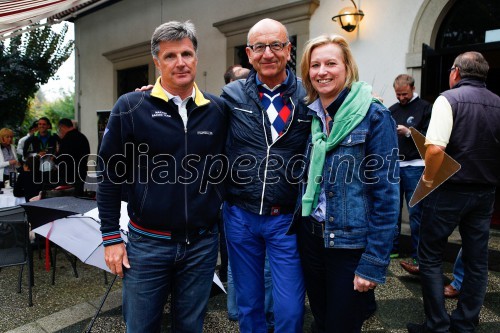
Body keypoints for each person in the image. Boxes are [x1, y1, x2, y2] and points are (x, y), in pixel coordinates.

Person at [97, 21, 229, 333]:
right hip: (147, 244)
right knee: (141, 327)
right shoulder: (131, 107)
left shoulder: (218, 109)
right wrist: (111, 238)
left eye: (187, 53)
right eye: (170, 56)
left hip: (201, 243)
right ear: (157, 61)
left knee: (190, 326)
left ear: (196, 58)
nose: (180, 62)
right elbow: (108, 175)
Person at [298, 34, 399, 333]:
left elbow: (387, 196)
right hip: (313, 237)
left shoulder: (374, 115)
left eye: (331, 63)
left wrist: (373, 262)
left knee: (342, 325)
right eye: (315, 65)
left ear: (347, 68)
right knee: (321, 317)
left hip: (349, 243)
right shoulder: (314, 116)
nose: (322, 71)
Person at [221, 18, 309, 333]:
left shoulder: (307, 95)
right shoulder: (231, 95)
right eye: (259, 47)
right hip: (240, 214)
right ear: (249, 53)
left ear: (288, 50)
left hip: (286, 218)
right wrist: (152, 96)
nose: (267, 53)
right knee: (249, 303)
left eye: (276, 45)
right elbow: (193, 114)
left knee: (289, 308)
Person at [407, 51, 500, 333]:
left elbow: (435, 148)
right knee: (476, 260)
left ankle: (437, 324)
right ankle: (465, 323)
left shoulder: (448, 99)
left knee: (431, 255)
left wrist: (428, 180)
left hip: (449, 189)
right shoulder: (498, 103)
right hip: (485, 193)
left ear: (456, 72)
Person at [389, 74, 432, 271]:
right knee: (392, 210)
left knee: (416, 212)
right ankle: (393, 248)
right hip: (395, 165)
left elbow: (432, 138)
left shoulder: (425, 107)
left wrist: (408, 132)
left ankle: (417, 255)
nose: (401, 98)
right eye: (398, 95)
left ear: (413, 88)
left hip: (416, 165)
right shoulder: (392, 110)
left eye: (404, 94)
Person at [55, 118, 90, 196]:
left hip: (68, 176)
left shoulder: (66, 140)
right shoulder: (83, 137)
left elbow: (61, 158)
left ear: (62, 127)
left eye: (59, 129)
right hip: (81, 174)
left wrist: (54, 157)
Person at [23, 117, 59, 184]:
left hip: (51, 169)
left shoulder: (54, 137)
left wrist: (55, 156)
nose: (41, 126)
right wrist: (37, 155)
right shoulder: (31, 138)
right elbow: (25, 155)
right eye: (39, 124)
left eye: (44, 124)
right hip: (36, 169)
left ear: (48, 126)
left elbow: (61, 150)